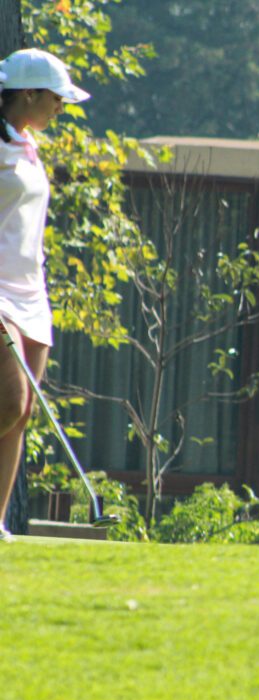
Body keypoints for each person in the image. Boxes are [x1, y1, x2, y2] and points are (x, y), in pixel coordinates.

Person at [0, 50, 91, 542]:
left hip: (33, 295)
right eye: (56, 98)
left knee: (22, 415)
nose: (62, 106)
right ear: (29, 93)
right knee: (9, 402)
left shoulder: (27, 144)